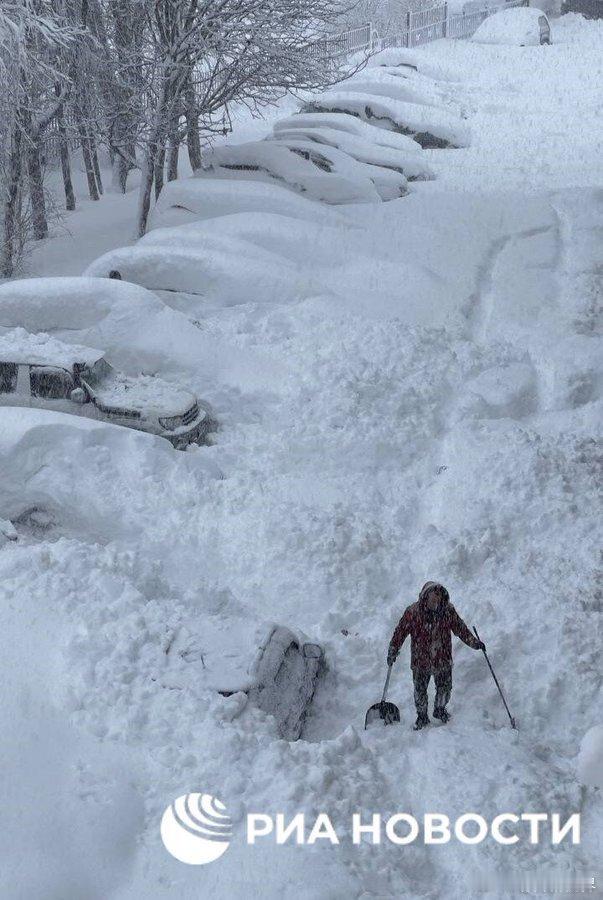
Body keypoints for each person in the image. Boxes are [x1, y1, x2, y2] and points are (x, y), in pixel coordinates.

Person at [387, 581, 485, 730]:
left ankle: (439, 710)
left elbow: (461, 629)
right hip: (421, 660)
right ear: (425, 597)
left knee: (445, 688)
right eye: (433, 598)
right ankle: (422, 717)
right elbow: (400, 632)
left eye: (439, 598)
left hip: (442, 659)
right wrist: (393, 648)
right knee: (420, 690)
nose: (436, 601)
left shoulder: (448, 611)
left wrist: (474, 643)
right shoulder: (413, 612)